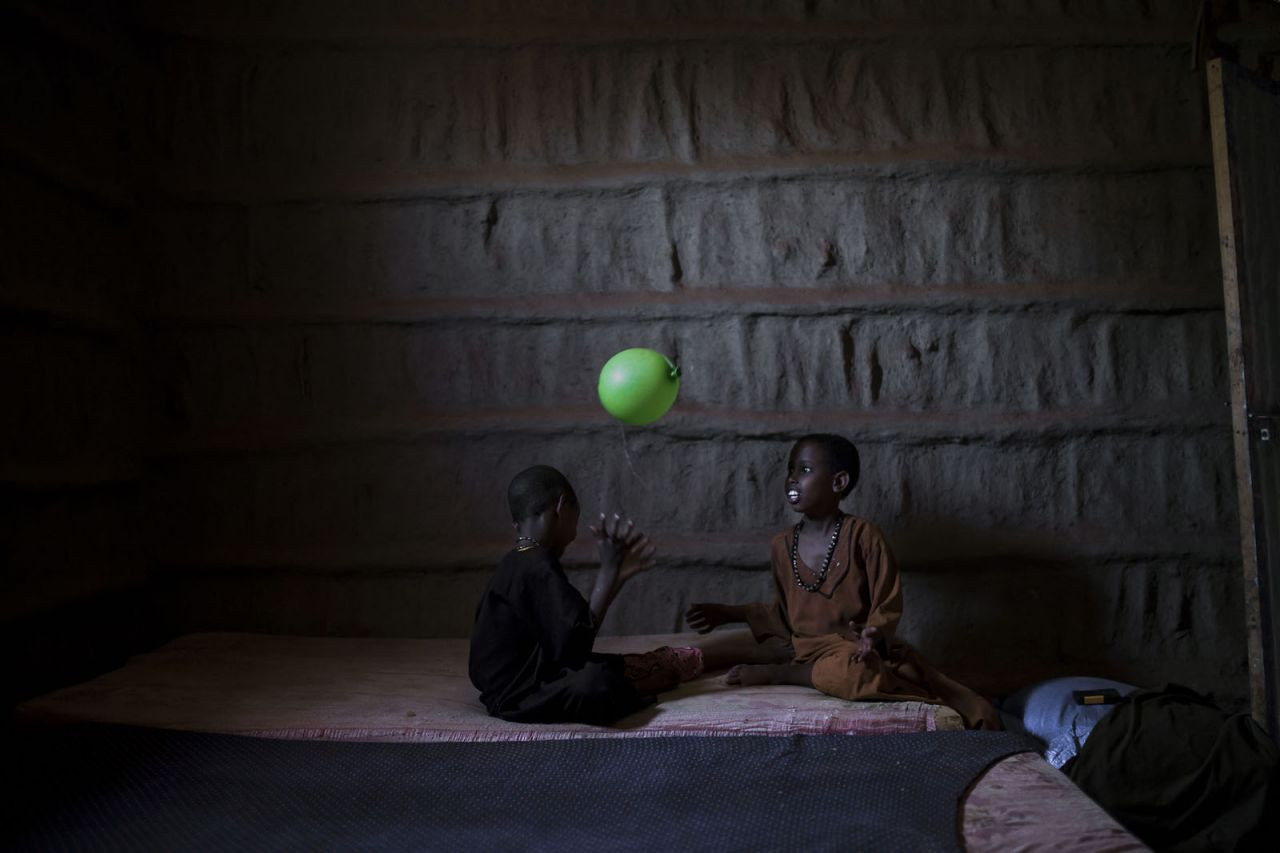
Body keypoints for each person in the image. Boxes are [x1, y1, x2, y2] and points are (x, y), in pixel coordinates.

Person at [685, 434, 1001, 730]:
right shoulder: (781, 545)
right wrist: (728, 613)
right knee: (726, 650)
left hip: (853, 651)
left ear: (839, 482)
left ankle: (786, 675)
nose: (792, 479)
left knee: (860, 675)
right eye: (790, 470)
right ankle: (789, 666)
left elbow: (886, 602)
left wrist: (874, 635)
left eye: (805, 470)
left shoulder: (864, 537)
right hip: (803, 646)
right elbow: (783, 613)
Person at [469, 464, 703, 725]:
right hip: (519, 696)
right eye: (575, 522)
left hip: (519, 684)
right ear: (562, 507)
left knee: (611, 666)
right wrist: (607, 571)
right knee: (596, 681)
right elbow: (577, 645)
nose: (573, 535)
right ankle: (638, 687)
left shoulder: (518, 560)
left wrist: (616, 577)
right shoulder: (535, 564)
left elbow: (566, 638)